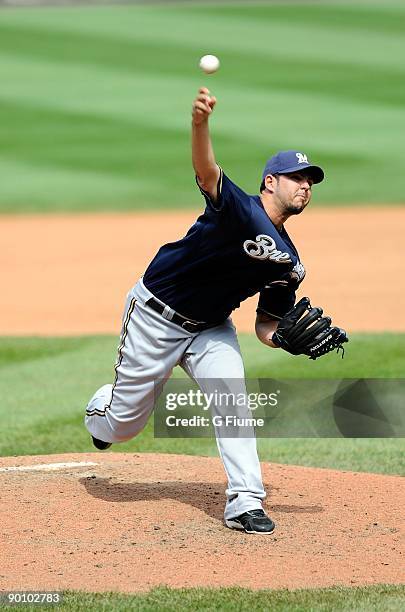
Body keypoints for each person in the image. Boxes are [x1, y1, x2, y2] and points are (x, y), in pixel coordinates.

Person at [85, 87, 341, 535]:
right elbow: (206, 171)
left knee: (232, 399)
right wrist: (200, 123)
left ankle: (245, 502)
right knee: (120, 429)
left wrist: (282, 339)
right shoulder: (237, 209)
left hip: (211, 329)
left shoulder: (290, 264)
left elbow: (266, 323)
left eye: (311, 181)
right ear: (270, 182)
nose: (305, 186)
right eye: (297, 177)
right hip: (154, 316)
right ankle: (101, 408)